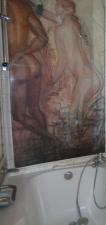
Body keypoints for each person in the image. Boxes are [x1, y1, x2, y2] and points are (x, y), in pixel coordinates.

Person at [35, 0, 102, 117]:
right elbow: (56, 18)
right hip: (93, 76)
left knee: (73, 115)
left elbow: (63, 61)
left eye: (57, 5)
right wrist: (38, 9)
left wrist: (52, 80)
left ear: (63, 8)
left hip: (85, 79)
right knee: (82, 113)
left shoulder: (60, 30)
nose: (55, 7)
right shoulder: (75, 23)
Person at [8, 0, 52, 139]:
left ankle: (52, 140)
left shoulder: (5, 5)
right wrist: (23, 52)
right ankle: (51, 143)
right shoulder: (24, 6)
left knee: (19, 115)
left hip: (18, 67)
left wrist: (16, 56)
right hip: (31, 63)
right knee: (34, 109)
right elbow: (43, 38)